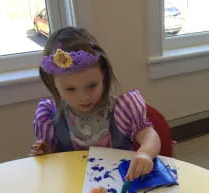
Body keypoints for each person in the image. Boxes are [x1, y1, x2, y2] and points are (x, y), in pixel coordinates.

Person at [30, 27, 161, 181]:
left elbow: (149, 135)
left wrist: (145, 152)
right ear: (53, 85)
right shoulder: (50, 118)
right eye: (70, 89)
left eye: (92, 85)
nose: (84, 97)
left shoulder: (121, 110)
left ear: (103, 76)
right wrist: (47, 152)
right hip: (74, 188)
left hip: (120, 186)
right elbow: (55, 163)